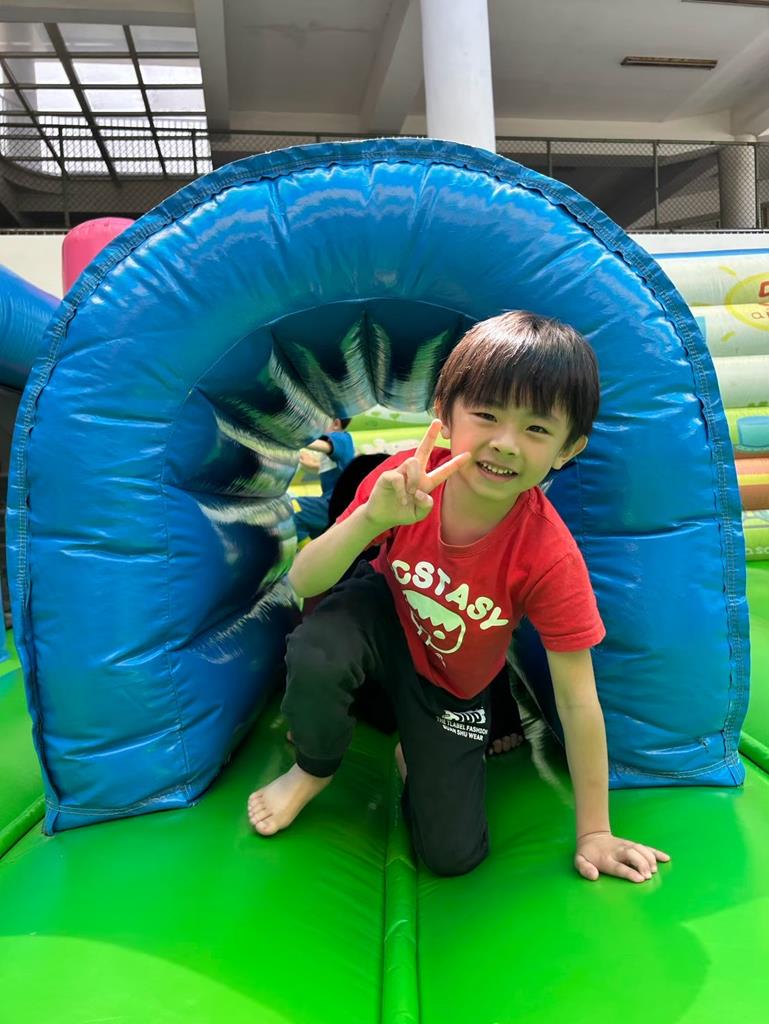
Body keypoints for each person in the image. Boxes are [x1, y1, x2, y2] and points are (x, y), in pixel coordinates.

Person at [248, 311, 671, 882]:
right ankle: (313, 769)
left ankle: (416, 754)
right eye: (487, 416)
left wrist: (595, 831)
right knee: (318, 647)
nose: (505, 443)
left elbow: (577, 699)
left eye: (537, 429)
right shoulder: (403, 479)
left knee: (453, 856)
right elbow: (303, 582)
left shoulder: (549, 555)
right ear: (445, 414)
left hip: (452, 676)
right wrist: (372, 519)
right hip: (383, 614)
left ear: (568, 449)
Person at [291, 417, 355, 545]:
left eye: (319, 421)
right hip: (330, 506)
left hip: (334, 506)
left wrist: (291, 439)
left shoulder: (343, 438)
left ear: (336, 424)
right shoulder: (337, 453)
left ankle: (308, 552)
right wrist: (311, 465)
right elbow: (337, 469)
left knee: (290, 507)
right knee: (303, 526)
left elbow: (322, 445)